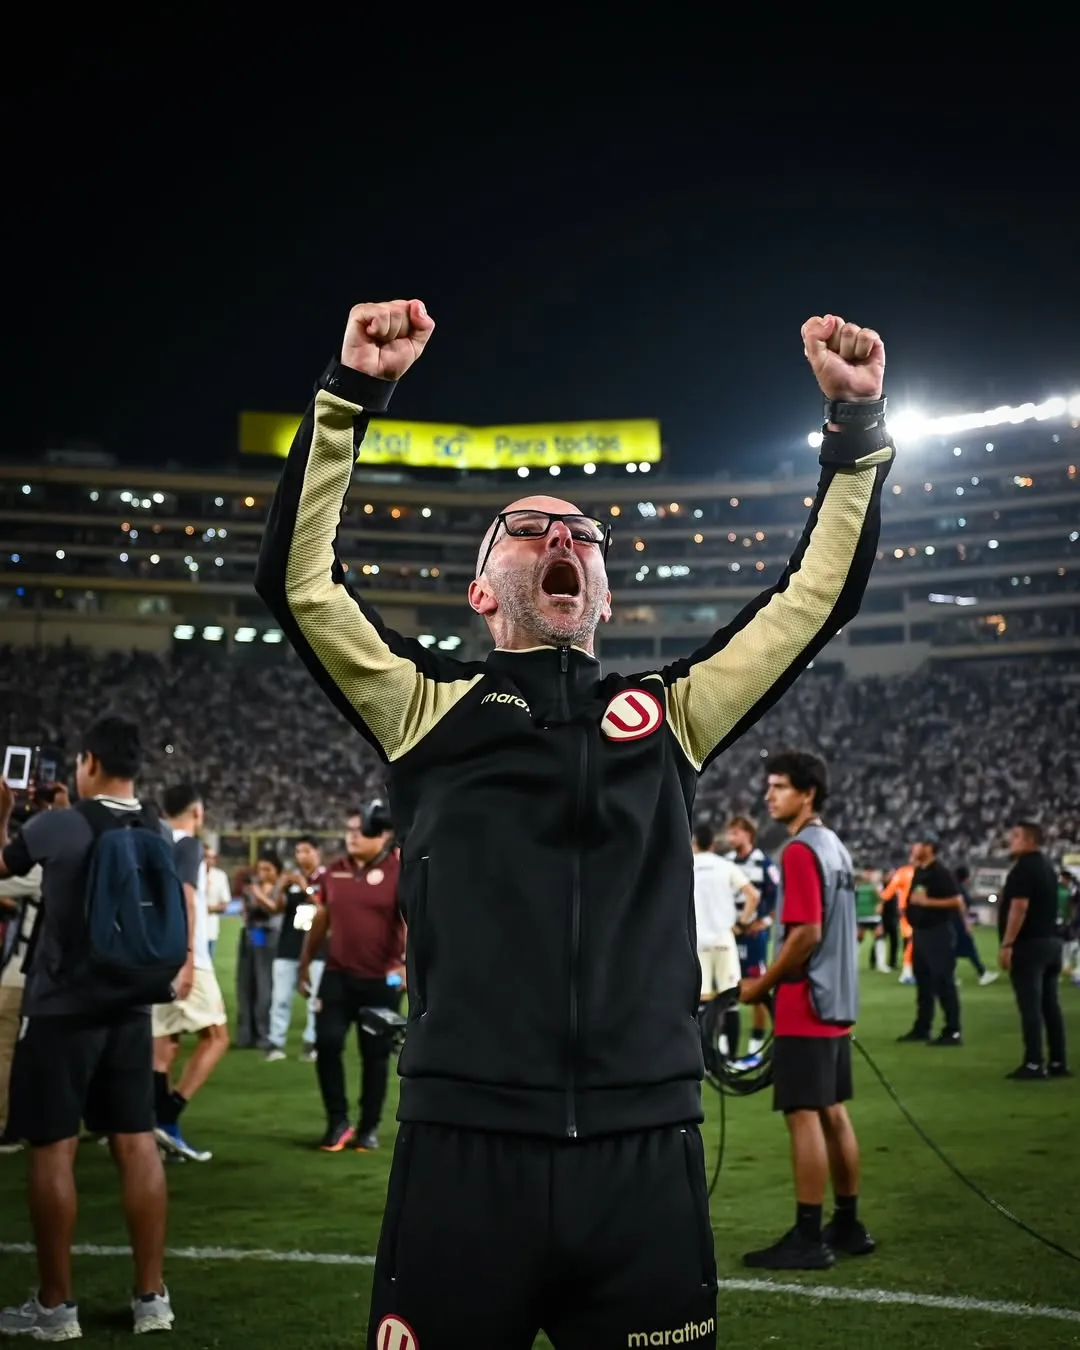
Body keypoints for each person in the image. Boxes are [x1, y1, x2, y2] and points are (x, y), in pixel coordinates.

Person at [254, 298, 894, 1348]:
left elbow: (811, 600)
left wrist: (857, 429)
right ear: (480, 591)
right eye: (528, 529)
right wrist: (351, 396)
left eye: (585, 537)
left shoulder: (675, 716)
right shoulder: (422, 709)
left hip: (646, 1152)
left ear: (603, 595)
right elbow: (299, 583)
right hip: (463, 1149)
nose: (562, 537)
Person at [0, 716, 176, 1338]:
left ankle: (55, 1308)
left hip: (61, 1009)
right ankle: (151, 1299)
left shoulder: (59, 825)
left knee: (54, 1147)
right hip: (131, 1008)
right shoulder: (156, 827)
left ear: (91, 762)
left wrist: (4, 813)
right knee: (137, 1142)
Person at [739, 750, 874, 1271]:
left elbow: (805, 934)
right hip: (837, 1000)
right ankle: (848, 1224)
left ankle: (807, 1236)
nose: (769, 795)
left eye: (779, 786)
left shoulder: (798, 850)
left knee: (802, 1115)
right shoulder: (834, 846)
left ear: (807, 793)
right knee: (833, 1111)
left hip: (806, 1000)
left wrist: (761, 984)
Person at [299, 808, 404, 1151]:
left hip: (381, 980)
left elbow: (414, 921)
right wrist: (304, 962)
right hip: (337, 975)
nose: (353, 836)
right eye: (349, 830)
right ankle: (337, 1122)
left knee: (375, 1055)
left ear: (383, 836)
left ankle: (368, 1127)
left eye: (362, 830)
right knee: (327, 1043)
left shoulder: (400, 871)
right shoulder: (333, 871)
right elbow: (321, 918)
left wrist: (406, 965)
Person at [152, 784, 229, 1163]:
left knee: (164, 1043)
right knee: (216, 1037)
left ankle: (155, 1131)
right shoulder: (188, 845)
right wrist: (186, 959)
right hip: (187, 957)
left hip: (153, 955)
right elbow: (185, 897)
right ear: (197, 811)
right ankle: (166, 1118)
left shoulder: (153, 841)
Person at [998, 821, 1069, 1079]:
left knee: (1030, 1006)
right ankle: (1058, 1061)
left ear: (1030, 841)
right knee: (1050, 1005)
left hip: (1029, 945)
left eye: (1016, 836)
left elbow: (1019, 907)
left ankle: (1034, 1062)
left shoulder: (1023, 869)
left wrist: (1007, 943)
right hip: (1051, 943)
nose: (1010, 840)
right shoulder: (1048, 867)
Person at [692, 824, 757, 1058]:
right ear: (713, 844)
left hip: (697, 942)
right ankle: (731, 1059)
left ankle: (705, 1060)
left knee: (701, 1004)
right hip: (723, 940)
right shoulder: (725, 865)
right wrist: (742, 923)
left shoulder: (687, 866)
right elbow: (753, 895)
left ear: (694, 843)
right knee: (730, 1001)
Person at [897, 834, 965, 1047]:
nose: (913, 848)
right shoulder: (920, 870)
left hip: (938, 933)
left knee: (943, 981)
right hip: (921, 933)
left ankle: (953, 1030)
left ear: (928, 847)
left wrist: (927, 903)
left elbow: (957, 901)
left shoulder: (940, 872)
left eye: (917, 844)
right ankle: (922, 1027)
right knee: (923, 983)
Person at [267, 835, 326, 1063]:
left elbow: (324, 907)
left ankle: (312, 1043)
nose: (301, 856)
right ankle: (276, 1043)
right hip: (288, 946)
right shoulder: (291, 879)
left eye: (306, 851)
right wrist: (280, 886)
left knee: (315, 999)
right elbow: (275, 908)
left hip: (318, 947)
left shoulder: (326, 877)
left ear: (317, 852)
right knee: (280, 998)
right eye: (298, 851)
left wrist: (305, 888)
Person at [725, 816, 779, 1057]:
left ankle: (755, 1047)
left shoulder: (764, 863)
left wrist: (763, 922)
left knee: (757, 990)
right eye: (730, 833)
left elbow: (777, 897)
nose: (730, 838)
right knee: (727, 990)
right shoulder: (725, 862)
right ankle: (726, 1049)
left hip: (754, 937)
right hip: (729, 935)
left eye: (735, 833)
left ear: (748, 834)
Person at [953, 864, 997, 986]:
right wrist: (966, 922)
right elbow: (961, 906)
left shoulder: (953, 886)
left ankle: (952, 976)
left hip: (951, 922)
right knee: (970, 949)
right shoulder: (959, 889)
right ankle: (982, 973)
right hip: (958, 923)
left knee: (952, 950)